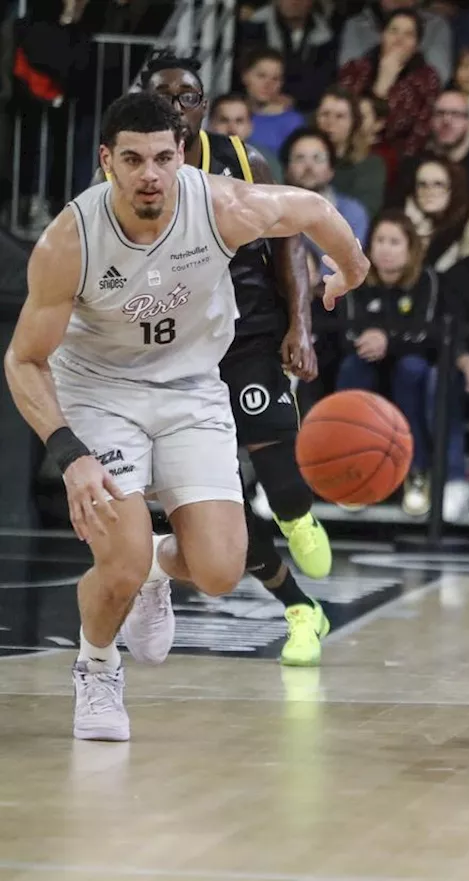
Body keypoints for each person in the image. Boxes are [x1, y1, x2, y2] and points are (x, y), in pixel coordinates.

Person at [5, 91, 368, 741]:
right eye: (134, 159)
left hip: (193, 388)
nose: (151, 174)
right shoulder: (70, 237)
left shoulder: (220, 203)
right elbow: (24, 361)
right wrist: (70, 453)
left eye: (164, 158)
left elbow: (310, 209)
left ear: (183, 156)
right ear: (107, 160)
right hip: (100, 393)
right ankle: (96, 666)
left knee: (221, 568)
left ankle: (153, 571)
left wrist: (354, 265)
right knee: (116, 561)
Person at [133, 53, 335, 667]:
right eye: (161, 95)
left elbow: (290, 245)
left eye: (185, 96)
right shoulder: (130, 178)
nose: (174, 106)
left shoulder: (246, 161)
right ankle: (302, 610)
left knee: (272, 459)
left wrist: (301, 324)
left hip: (250, 334)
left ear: (201, 105)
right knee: (213, 503)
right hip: (180, 350)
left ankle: (299, 513)